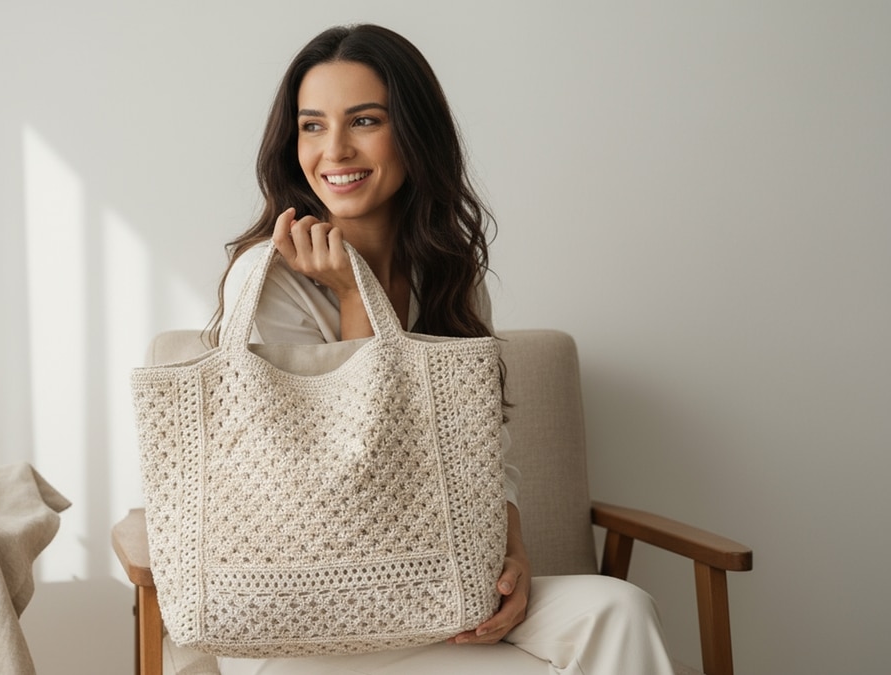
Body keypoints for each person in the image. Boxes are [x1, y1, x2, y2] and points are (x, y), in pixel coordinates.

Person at [208, 24, 676, 675]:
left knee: (620, 610)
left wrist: (511, 552)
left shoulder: (448, 273)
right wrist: (351, 297)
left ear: (415, 133)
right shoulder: (269, 280)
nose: (334, 149)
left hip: (442, 581)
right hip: (310, 607)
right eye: (312, 126)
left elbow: (486, 451)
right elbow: (341, 481)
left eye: (364, 120)